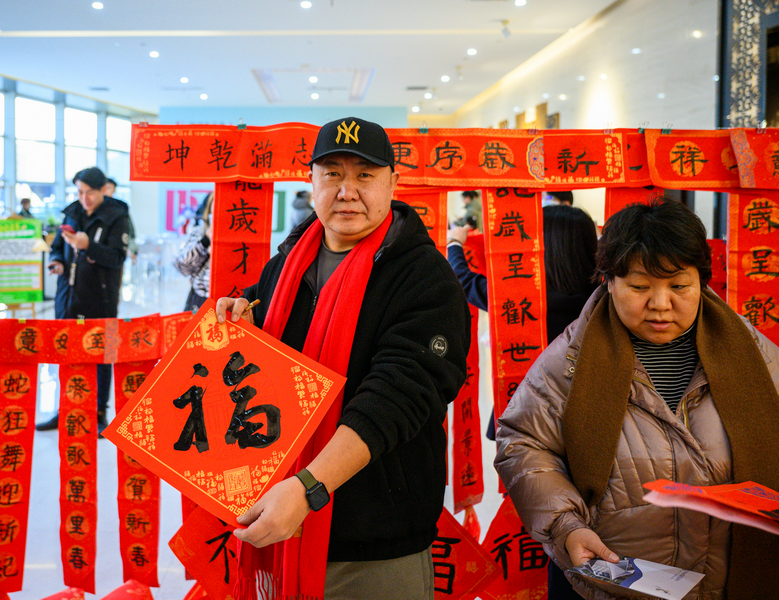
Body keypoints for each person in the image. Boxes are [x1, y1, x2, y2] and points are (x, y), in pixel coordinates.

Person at [215, 117, 470, 600]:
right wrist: (238, 312)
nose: (347, 191)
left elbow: (395, 398)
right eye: (332, 173)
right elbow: (263, 334)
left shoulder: (426, 279)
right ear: (311, 182)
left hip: (373, 542)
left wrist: (309, 487)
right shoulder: (288, 263)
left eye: (365, 175)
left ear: (393, 182)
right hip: (277, 522)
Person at [494, 199, 779, 599]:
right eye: (640, 287)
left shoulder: (751, 352)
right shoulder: (573, 358)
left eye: (679, 286)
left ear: (702, 282)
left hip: (732, 582)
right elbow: (523, 443)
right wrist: (566, 526)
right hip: (615, 582)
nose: (660, 304)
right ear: (609, 281)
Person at [36, 167, 131, 436]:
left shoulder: (117, 216)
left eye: (90, 192)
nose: (84, 198)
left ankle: (100, 412)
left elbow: (117, 257)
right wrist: (57, 261)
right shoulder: (72, 213)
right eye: (79, 192)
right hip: (68, 297)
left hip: (100, 298)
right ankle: (65, 408)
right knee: (66, 353)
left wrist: (89, 245)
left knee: (101, 354)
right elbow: (57, 246)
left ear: (103, 190)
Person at [447, 204, 598, 343]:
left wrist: (454, 243)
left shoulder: (521, 296)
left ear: (544, 246)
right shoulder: (601, 294)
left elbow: (463, 280)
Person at [174, 192, 213, 313]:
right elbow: (182, 266)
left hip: (234, 300)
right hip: (202, 299)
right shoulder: (200, 232)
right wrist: (205, 241)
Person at [102, 177, 138, 262]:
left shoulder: (120, 207)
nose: (106, 190)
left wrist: (132, 250)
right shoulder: (96, 208)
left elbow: (130, 229)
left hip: (117, 247)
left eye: (109, 188)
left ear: (114, 189)